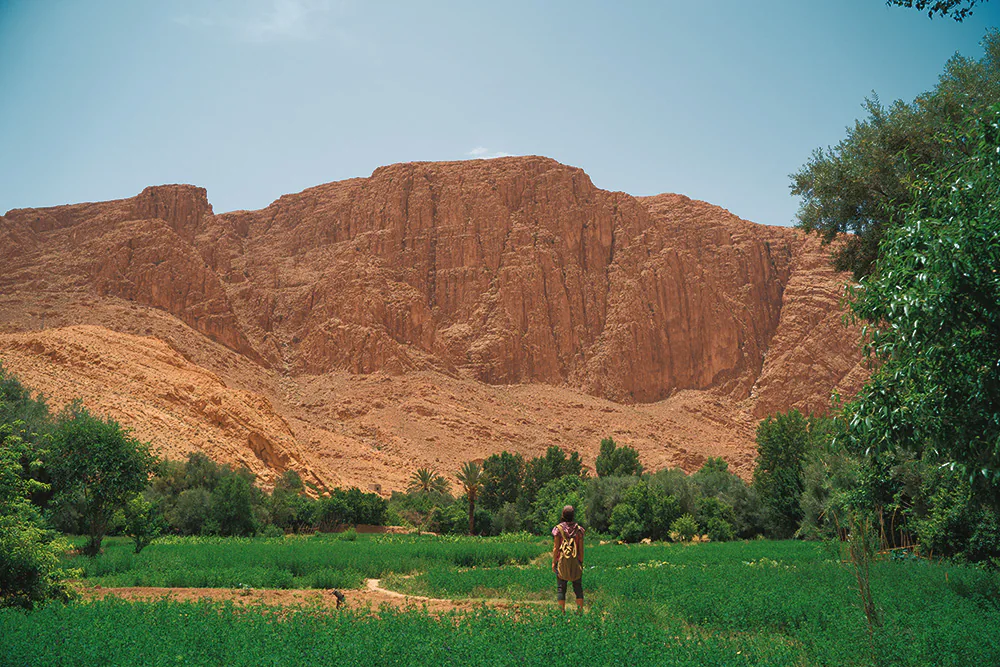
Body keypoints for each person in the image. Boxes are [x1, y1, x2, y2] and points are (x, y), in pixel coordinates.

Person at [552, 504, 584, 613]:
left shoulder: (559, 529)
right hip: (575, 562)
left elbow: (556, 548)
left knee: (561, 588)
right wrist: (581, 562)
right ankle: (579, 612)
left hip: (562, 561)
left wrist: (554, 562)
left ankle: (562, 612)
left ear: (563, 515)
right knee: (578, 587)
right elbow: (581, 549)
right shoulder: (579, 530)